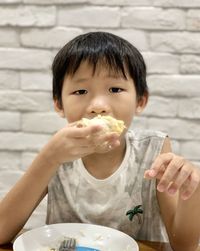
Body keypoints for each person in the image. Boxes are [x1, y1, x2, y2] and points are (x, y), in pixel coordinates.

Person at [0, 31, 199, 251]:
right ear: (58, 104)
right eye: (80, 90)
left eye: (115, 89)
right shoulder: (58, 154)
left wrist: (193, 190)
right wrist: (48, 158)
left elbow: (184, 245)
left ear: (140, 100)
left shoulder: (153, 150)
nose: (98, 105)